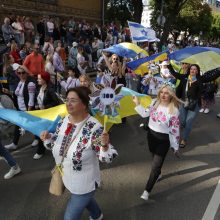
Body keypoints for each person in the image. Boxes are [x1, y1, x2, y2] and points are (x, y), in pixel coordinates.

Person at [40, 86, 118, 220]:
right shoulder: (64, 120)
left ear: (84, 104)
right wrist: (48, 138)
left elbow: (108, 158)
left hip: (84, 183)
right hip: (68, 178)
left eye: (73, 100)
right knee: (85, 201)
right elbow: (55, 144)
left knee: (70, 216)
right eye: (67, 100)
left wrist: (104, 145)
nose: (68, 103)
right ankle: (97, 215)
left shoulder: (95, 127)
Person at [133, 83, 182, 201]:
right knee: (153, 155)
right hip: (151, 135)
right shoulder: (154, 102)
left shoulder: (174, 110)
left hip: (163, 140)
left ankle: (147, 190)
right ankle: (158, 173)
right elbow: (145, 113)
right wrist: (137, 103)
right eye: (162, 92)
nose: (163, 95)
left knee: (155, 165)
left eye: (166, 93)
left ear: (171, 95)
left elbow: (175, 131)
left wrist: (175, 147)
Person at [169, 64, 220, 148]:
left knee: (189, 122)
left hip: (195, 104)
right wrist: (169, 66)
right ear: (189, 70)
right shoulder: (184, 77)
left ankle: (184, 139)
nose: (193, 70)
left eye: (195, 69)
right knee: (182, 121)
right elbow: (174, 74)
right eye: (192, 69)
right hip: (184, 102)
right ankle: (184, 129)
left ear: (197, 71)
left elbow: (212, 77)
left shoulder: (200, 78)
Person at [3, 65, 37, 150]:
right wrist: (9, 92)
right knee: (18, 125)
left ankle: (38, 139)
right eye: (19, 73)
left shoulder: (30, 83)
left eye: (23, 73)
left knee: (33, 125)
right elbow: (17, 94)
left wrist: (28, 112)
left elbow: (31, 100)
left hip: (27, 109)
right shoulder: (20, 82)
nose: (21, 75)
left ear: (26, 73)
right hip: (20, 109)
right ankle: (14, 143)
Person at [34, 71, 61, 159]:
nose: (37, 80)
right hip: (41, 115)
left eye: (39, 78)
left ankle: (44, 150)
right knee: (41, 132)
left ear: (44, 79)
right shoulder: (39, 88)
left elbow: (56, 102)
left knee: (49, 132)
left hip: (50, 115)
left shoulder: (50, 89)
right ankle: (41, 150)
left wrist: (45, 107)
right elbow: (38, 99)